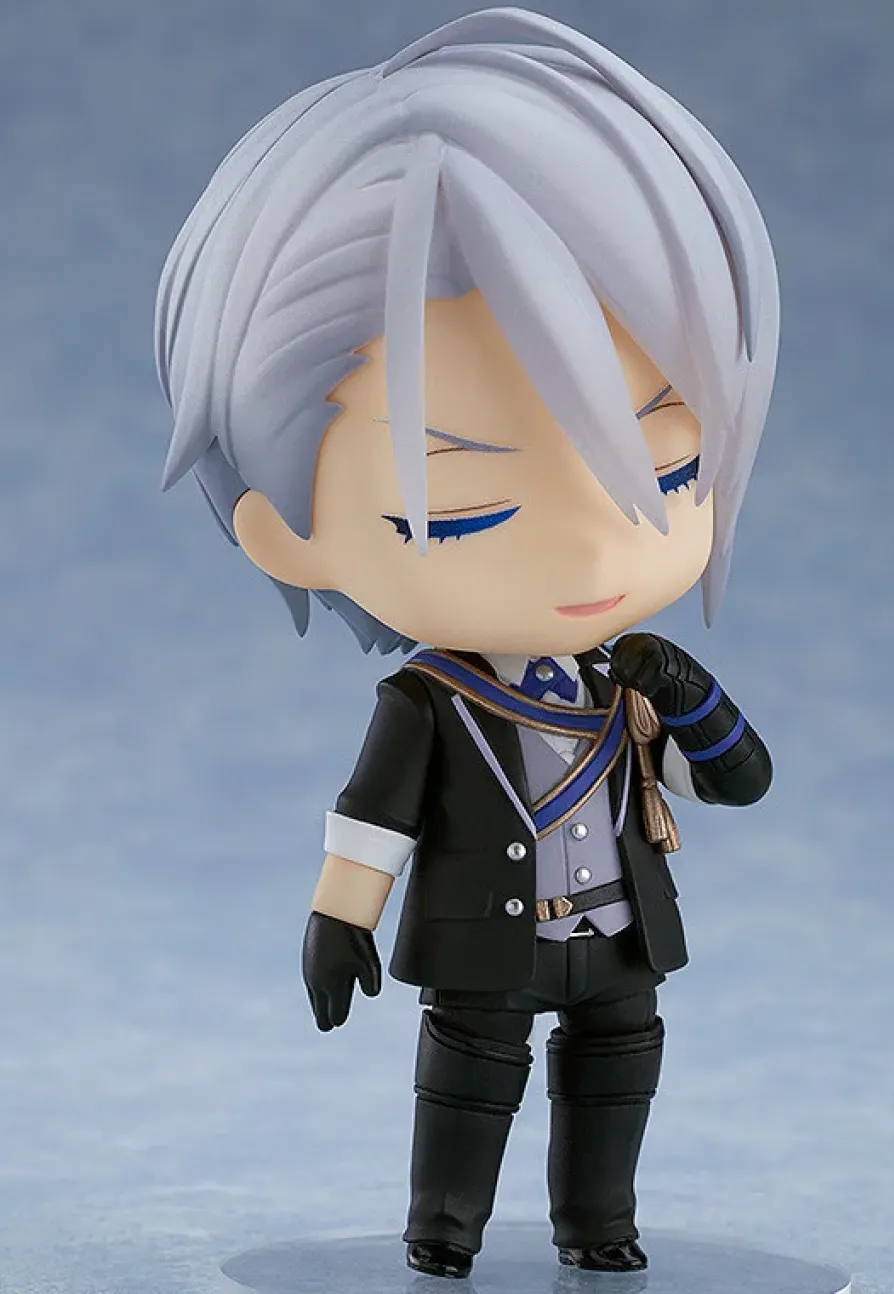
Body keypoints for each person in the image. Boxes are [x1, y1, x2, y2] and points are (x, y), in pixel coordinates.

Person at [155, 8, 779, 1279]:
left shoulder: (625, 683)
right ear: (284, 532)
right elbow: (372, 818)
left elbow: (737, 778)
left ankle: (599, 1224)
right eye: (466, 509)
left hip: (616, 937)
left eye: (669, 470)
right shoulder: (428, 700)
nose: (598, 550)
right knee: (469, 1084)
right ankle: (444, 1228)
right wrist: (340, 917)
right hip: (487, 936)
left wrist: (686, 692)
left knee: (615, 1078)